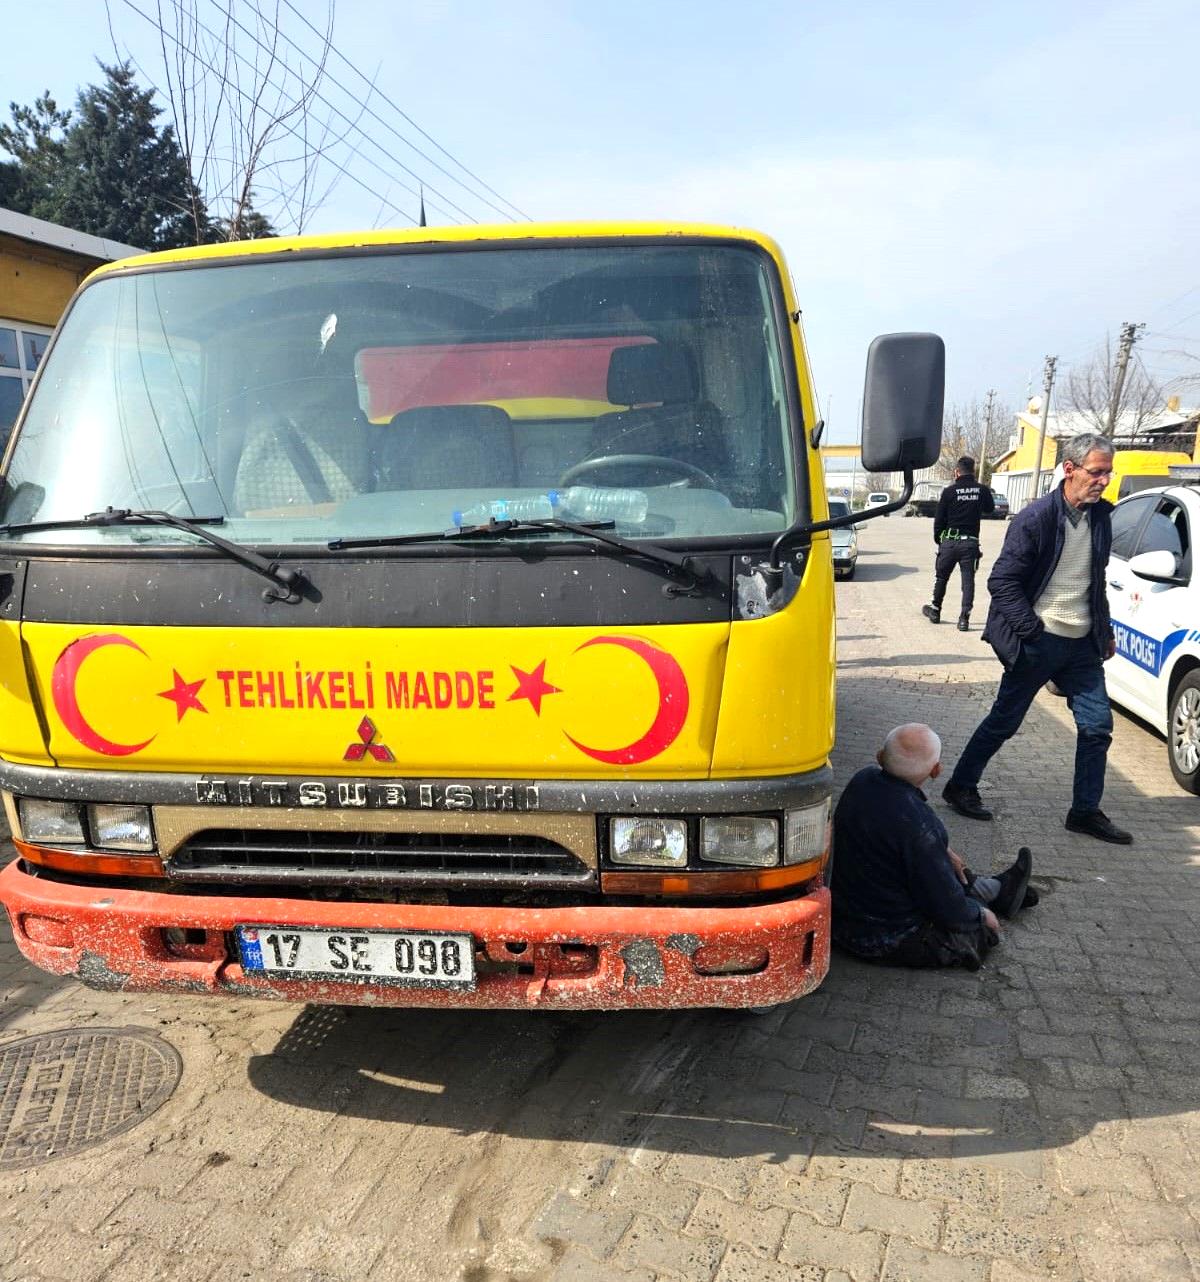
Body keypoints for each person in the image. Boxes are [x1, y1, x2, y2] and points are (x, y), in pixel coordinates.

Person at [941, 432, 1131, 844]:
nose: (1103, 481)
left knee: (1097, 727)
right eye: (1097, 472)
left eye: (1108, 474)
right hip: (1039, 641)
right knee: (1004, 721)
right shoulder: (1037, 518)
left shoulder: (1101, 518)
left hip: (1082, 645)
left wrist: (1105, 629)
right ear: (1070, 469)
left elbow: (1093, 580)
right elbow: (1002, 581)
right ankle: (960, 786)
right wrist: (1032, 631)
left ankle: (1084, 812)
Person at [831, 723, 1035, 970]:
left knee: (945, 866)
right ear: (936, 770)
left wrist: (943, 851)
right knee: (976, 935)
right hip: (884, 937)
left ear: (879, 756)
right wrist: (980, 916)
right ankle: (990, 895)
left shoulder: (862, 780)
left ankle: (996, 890)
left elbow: (895, 835)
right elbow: (946, 905)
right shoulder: (922, 825)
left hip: (842, 917)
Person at [922, 455, 995, 631]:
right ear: (974, 471)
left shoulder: (949, 492)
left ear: (957, 471)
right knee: (968, 581)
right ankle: (964, 619)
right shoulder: (982, 490)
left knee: (941, 577)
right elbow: (990, 508)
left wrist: (939, 540)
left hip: (949, 541)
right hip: (970, 544)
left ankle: (935, 610)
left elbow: (939, 520)